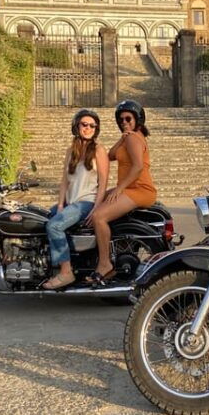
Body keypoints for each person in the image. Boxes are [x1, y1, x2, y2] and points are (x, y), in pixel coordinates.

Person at [86, 99, 157, 285]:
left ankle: (104, 264)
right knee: (97, 199)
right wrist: (123, 136)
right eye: (120, 120)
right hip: (132, 188)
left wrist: (119, 188)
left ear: (138, 119)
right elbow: (109, 156)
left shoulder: (134, 138)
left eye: (128, 118)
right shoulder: (129, 137)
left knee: (99, 217)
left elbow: (138, 168)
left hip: (140, 189)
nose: (124, 122)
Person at [42, 109, 109, 289]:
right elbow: (65, 180)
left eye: (92, 126)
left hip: (86, 203)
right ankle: (49, 264)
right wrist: (60, 204)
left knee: (54, 226)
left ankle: (66, 272)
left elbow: (103, 182)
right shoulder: (71, 151)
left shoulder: (99, 150)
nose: (88, 128)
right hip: (71, 202)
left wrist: (96, 208)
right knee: (41, 219)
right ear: (76, 126)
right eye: (84, 124)